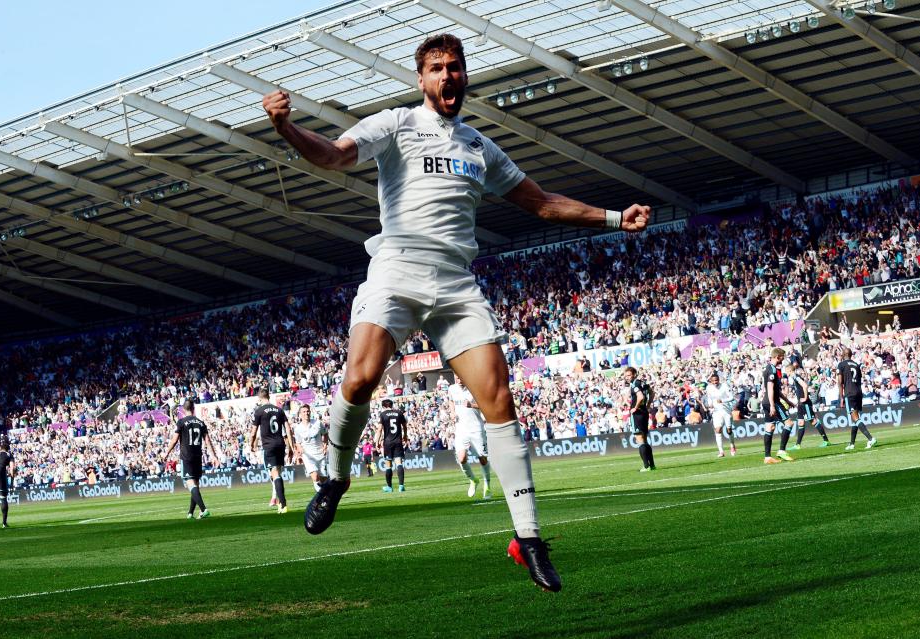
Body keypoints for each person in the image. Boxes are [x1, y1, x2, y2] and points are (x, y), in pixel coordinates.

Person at [263, 32, 650, 593]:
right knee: (361, 378)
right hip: (396, 270)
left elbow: (540, 203)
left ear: (466, 76)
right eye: (437, 68)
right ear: (421, 79)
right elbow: (333, 156)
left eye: (456, 67)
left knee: (499, 401)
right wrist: (286, 129)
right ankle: (337, 477)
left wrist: (615, 217)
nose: (448, 76)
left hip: (455, 283)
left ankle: (529, 538)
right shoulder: (395, 125)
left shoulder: (479, 147)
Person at [163, 400, 220, 519]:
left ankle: (204, 510)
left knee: (190, 485)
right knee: (195, 486)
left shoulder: (181, 422)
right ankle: (190, 513)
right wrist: (214, 456)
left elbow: (174, 440)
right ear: (193, 408)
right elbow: (208, 441)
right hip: (198, 456)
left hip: (187, 457)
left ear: (183, 410)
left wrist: (166, 453)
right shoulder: (200, 422)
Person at [250, 389, 295, 514]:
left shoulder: (259, 411)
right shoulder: (279, 410)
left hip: (269, 446)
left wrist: (251, 445)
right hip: (280, 444)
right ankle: (280, 502)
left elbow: (253, 432)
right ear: (268, 396)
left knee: (275, 474)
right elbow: (288, 429)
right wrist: (291, 447)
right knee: (277, 473)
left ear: (259, 398)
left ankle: (283, 504)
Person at [448, 375, 492, 499]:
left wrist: (471, 405)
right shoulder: (452, 389)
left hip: (476, 428)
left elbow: (485, 405)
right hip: (461, 428)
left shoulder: (475, 387)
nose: (459, 380)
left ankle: (487, 485)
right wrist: (452, 412)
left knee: (482, 458)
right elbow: (451, 401)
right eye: (456, 378)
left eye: (461, 377)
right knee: (461, 458)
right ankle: (473, 480)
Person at [761, 348, 795, 464]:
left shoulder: (770, 369)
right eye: (782, 357)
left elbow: (776, 390)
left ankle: (767, 457)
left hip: (767, 401)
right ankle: (782, 451)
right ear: (778, 356)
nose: (783, 359)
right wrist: (772, 405)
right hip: (772, 402)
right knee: (789, 423)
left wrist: (788, 401)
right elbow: (770, 389)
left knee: (769, 428)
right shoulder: (772, 370)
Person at [838, 348, 876, 450]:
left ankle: (870, 438)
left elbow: (839, 382)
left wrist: (841, 397)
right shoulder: (856, 364)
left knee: (855, 417)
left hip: (849, 393)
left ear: (843, 354)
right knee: (855, 417)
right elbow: (859, 380)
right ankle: (852, 443)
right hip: (858, 392)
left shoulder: (841, 365)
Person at [786, 363, 830, 450]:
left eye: (786, 371)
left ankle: (826, 440)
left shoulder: (796, 377)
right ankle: (798, 445)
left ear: (790, 371)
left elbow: (805, 386)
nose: (786, 373)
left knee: (813, 421)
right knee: (800, 423)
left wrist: (805, 398)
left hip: (805, 403)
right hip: (800, 404)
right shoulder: (795, 377)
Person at [624, 367, 655, 472]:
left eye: (629, 375)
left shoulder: (635, 384)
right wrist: (648, 405)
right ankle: (652, 465)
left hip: (637, 414)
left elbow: (640, 397)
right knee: (645, 440)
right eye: (626, 375)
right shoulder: (642, 383)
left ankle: (646, 466)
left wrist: (635, 408)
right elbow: (652, 393)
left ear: (634, 374)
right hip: (644, 413)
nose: (627, 377)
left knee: (640, 440)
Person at [293, 404, 329, 492]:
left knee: (324, 479)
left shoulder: (317, 423)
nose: (306, 413)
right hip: (308, 455)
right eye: (304, 412)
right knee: (315, 476)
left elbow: (325, 434)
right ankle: (321, 498)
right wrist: (300, 449)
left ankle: (325, 495)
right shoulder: (298, 428)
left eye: (308, 411)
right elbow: (297, 442)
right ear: (300, 414)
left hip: (320, 453)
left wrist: (325, 445)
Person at [375, 399, 408, 493]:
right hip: (398, 441)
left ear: (384, 406)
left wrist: (377, 442)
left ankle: (389, 487)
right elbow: (405, 426)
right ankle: (401, 486)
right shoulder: (399, 413)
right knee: (399, 463)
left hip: (388, 442)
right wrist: (405, 436)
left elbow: (379, 430)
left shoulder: (383, 415)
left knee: (388, 464)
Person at [705, 372, 737, 458]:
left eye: (716, 380)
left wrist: (722, 400)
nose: (715, 382)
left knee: (729, 430)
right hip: (716, 411)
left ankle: (732, 445)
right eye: (713, 381)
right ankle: (721, 451)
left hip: (726, 410)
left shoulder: (724, 386)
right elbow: (709, 398)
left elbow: (731, 397)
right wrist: (710, 404)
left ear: (719, 380)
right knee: (718, 429)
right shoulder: (708, 388)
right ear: (711, 381)